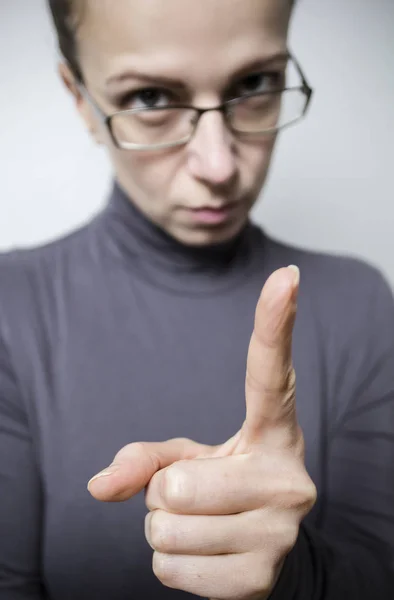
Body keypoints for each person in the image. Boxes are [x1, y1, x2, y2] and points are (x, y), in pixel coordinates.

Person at [0, 0, 393, 598]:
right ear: (79, 97)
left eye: (255, 84)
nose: (219, 165)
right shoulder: (13, 307)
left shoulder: (358, 303)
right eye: (151, 98)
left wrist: (292, 572)